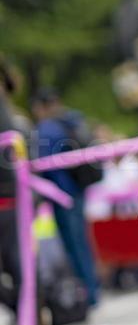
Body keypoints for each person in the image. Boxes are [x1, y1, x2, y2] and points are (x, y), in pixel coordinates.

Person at [31, 89, 100, 308]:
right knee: (83, 242)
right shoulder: (71, 121)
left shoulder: (46, 129)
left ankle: (86, 294)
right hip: (78, 192)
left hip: (61, 196)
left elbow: (43, 165)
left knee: (73, 246)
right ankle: (92, 291)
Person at [0, 59, 27, 325]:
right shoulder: (10, 110)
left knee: (21, 273)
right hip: (12, 201)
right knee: (21, 273)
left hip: (8, 202)